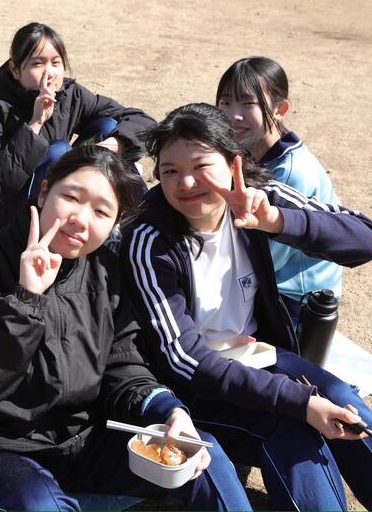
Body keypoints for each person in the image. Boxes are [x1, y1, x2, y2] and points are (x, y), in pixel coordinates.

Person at [0, 146, 252, 511]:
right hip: (1, 447)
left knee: (203, 461)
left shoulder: (106, 270)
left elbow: (123, 364)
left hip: (88, 437)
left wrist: (167, 410)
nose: (81, 220)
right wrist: (26, 298)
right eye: (71, 198)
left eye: (101, 211)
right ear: (44, 192)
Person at [121, 102, 372, 510]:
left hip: (258, 355)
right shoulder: (150, 239)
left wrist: (276, 221)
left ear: (232, 162)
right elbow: (185, 360)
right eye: (170, 171)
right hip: (195, 387)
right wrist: (300, 402)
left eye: (201, 166)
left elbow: (364, 235)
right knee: (291, 430)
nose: (187, 183)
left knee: (343, 398)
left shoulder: (255, 197)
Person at [0, 21, 156, 234]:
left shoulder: (69, 95)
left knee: (107, 126)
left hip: (55, 196)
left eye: (56, 63)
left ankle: (138, 219)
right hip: (3, 216)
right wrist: (35, 124)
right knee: (58, 152)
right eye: (38, 64)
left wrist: (111, 145)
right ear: (15, 69)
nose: (50, 73)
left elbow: (142, 121)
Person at [217, 56, 341, 326]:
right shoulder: (252, 148)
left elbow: (267, 260)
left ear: (280, 109)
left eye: (248, 103)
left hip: (295, 299)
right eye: (225, 103)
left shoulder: (292, 173)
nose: (233, 115)